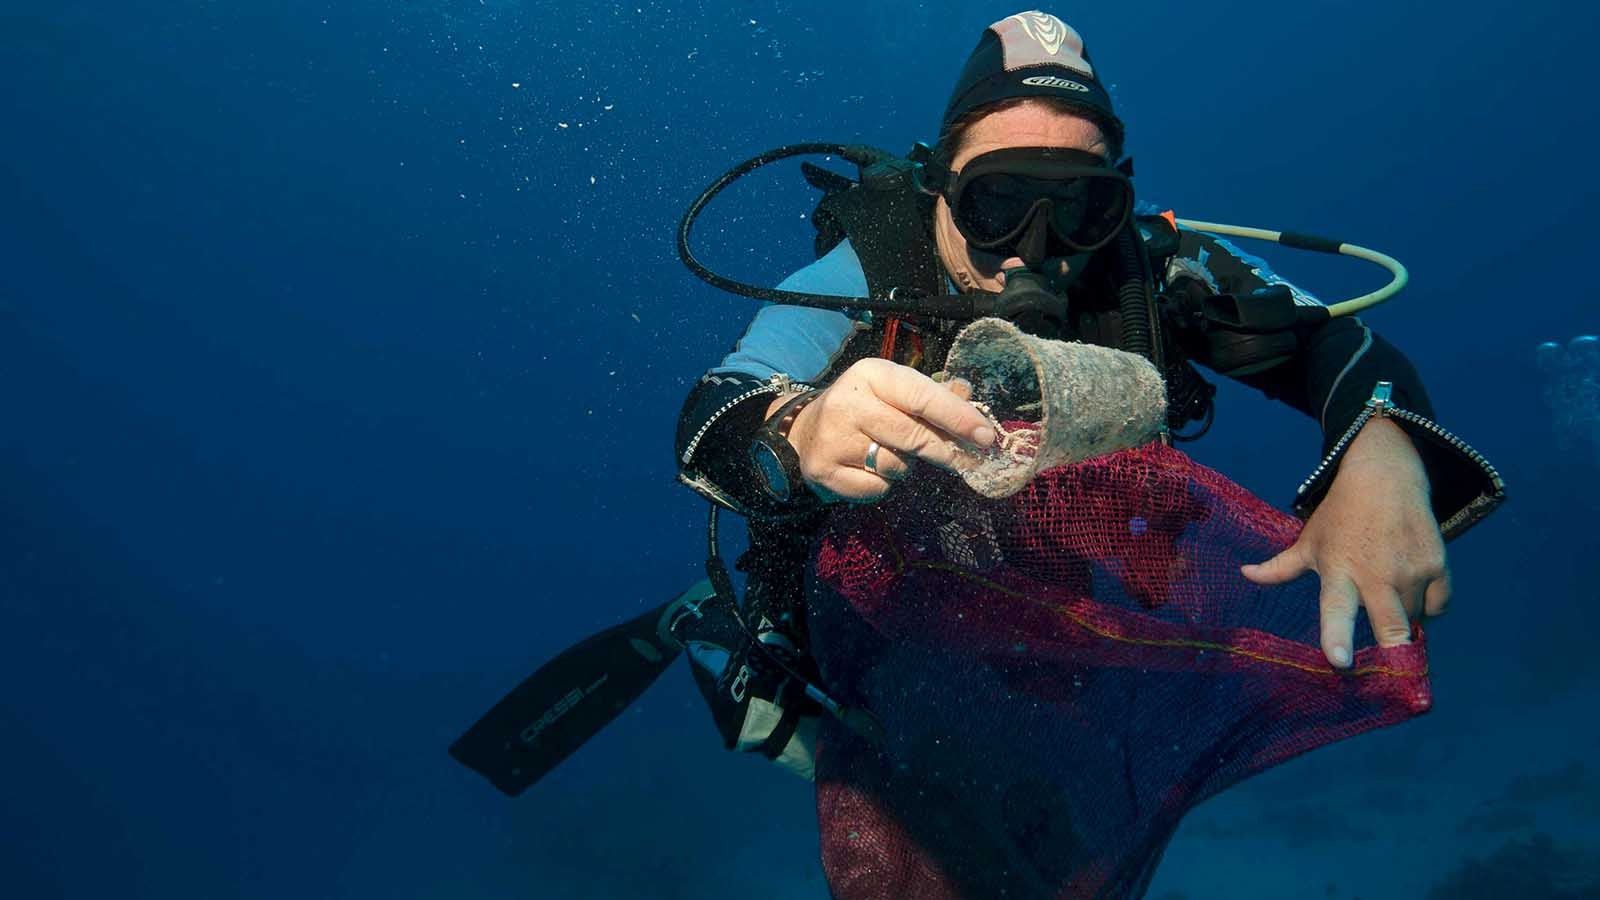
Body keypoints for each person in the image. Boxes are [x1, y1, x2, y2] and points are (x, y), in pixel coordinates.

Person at [674, 10, 1501, 734]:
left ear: (1119, 202)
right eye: (997, 205)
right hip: (870, 584)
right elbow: (718, 405)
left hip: (1041, 588)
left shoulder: (1150, 271)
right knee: (819, 730)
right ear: (939, 186)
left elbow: (1339, 348)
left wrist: (1382, 452)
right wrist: (797, 428)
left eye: (1078, 209)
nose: (1034, 250)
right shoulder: (865, 271)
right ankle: (720, 634)